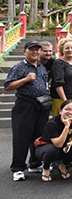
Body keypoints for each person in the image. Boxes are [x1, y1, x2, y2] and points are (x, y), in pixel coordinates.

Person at [5, 41, 50, 181]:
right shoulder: (19, 67)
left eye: (37, 50)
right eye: (32, 50)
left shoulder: (42, 67)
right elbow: (8, 86)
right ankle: (18, 168)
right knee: (21, 137)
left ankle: (35, 163)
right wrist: (25, 79)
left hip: (41, 105)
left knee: (38, 136)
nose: (35, 52)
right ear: (25, 51)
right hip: (25, 105)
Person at [35, 100, 72, 182]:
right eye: (67, 109)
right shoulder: (52, 123)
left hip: (61, 146)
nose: (70, 112)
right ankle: (46, 168)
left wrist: (70, 143)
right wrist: (66, 127)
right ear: (60, 111)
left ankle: (63, 165)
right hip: (45, 148)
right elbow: (58, 144)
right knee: (53, 150)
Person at [50, 37, 72, 116]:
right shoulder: (59, 63)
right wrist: (65, 102)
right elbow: (58, 83)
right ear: (62, 49)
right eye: (67, 48)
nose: (70, 50)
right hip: (61, 100)